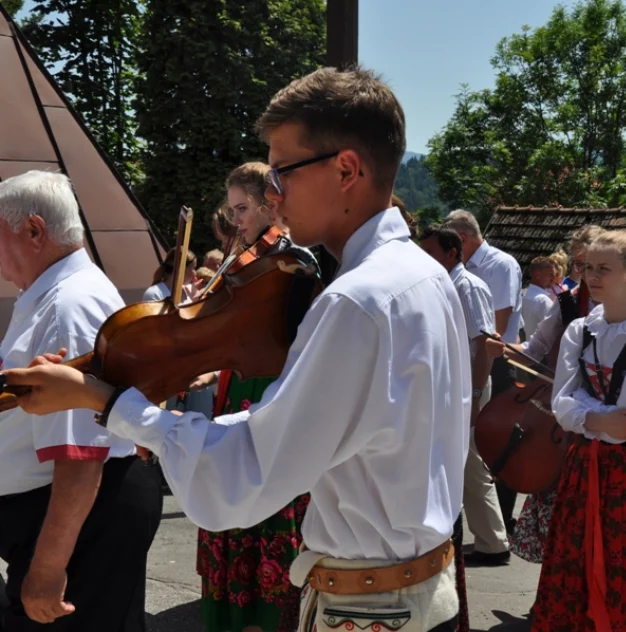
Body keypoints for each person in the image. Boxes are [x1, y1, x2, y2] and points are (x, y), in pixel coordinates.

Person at [7, 66, 471, 632]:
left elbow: (243, 477)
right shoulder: (423, 274)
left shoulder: (358, 299)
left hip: (372, 610)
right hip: (418, 590)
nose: (272, 196)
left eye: (283, 173)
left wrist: (107, 401)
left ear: (347, 169)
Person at [0, 171, 162, 631]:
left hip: (80, 517)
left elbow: (81, 455)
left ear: (34, 230)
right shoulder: (49, 295)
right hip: (67, 513)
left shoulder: (69, 304)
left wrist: (47, 570)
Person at [532, 230, 626, 632]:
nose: (591, 276)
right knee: (573, 561)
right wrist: (596, 419)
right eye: (586, 268)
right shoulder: (580, 329)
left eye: (603, 269)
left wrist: (587, 414)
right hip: (584, 467)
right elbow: (561, 404)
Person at [192, 162, 316, 632]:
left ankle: (269, 616)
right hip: (237, 386)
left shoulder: (295, 260)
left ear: (271, 203)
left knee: (265, 495)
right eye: (232, 209)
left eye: (243, 208)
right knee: (230, 491)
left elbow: (289, 339)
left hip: (270, 389)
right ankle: (236, 612)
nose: (236, 219)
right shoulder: (242, 256)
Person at [484, 224, 602, 575]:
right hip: (561, 419)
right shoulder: (567, 302)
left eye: (596, 266)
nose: (588, 275)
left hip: (606, 422)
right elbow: (534, 349)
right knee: (561, 512)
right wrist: (504, 348)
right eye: (581, 266)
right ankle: (558, 591)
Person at [418, 224, 504, 631]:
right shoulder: (445, 280)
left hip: (468, 386)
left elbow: (484, 345)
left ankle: (492, 541)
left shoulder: (466, 286)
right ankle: (488, 538)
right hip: (458, 387)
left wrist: (472, 395)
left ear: (453, 253)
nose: (426, 256)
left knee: (471, 463)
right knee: (465, 463)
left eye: (432, 250)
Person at [442, 208, 523, 542]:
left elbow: (497, 332)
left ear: (460, 238)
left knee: (492, 448)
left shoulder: (499, 265)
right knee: (476, 453)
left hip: (498, 363)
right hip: (478, 365)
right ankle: (494, 534)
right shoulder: (464, 271)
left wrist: (476, 390)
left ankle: (496, 533)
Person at [521, 256, 557, 338]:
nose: (554, 278)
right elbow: (554, 330)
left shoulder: (523, 295)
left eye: (554, 275)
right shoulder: (543, 301)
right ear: (537, 275)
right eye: (551, 274)